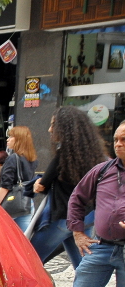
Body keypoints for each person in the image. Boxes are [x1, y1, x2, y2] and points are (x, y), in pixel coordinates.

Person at [63, 119, 125, 287]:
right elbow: (77, 198)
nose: (119, 145)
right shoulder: (103, 170)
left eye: (124, 140)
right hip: (100, 247)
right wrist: (78, 232)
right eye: (117, 140)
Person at [32, 106, 108, 268]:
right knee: (83, 267)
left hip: (62, 219)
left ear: (65, 128)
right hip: (86, 219)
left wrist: (37, 184)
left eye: (54, 125)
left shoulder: (63, 156)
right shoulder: (96, 156)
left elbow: (41, 187)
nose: (49, 129)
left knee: (28, 259)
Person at [0, 126, 38, 232]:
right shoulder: (31, 159)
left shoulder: (13, 158)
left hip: (11, 203)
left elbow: (6, 186)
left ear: (19, 139)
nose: (7, 139)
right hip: (27, 203)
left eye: (11, 136)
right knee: (22, 239)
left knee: (3, 236)